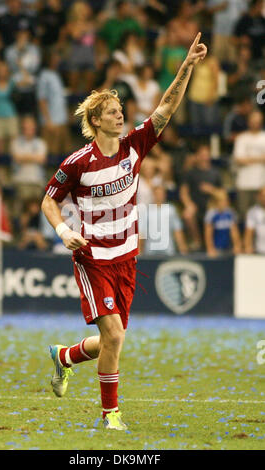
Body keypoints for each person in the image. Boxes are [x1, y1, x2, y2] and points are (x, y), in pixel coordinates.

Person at [41, 33, 207, 430]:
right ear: (96, 120)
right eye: (114, 111)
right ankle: (110, 416)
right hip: (93, 259)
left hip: (127, 258)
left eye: (122, 110)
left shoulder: (135, 147)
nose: (121, 115)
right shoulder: (78, 163)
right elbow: (48, 200)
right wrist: (64, 230)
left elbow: (166, 107)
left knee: (113, 339)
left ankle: (65, 357)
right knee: (114, 334)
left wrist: (187, 66)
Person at [180, 143, 222, 250]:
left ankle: (211, 245)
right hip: (196, 207)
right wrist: (188, 204)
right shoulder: (190, 173)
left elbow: (222, 194)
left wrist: (211, 190)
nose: (204, 157)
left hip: (212, 207)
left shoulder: (215, 173)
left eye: (206, 154)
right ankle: (197, 241)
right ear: (197, 156)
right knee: (188, 214)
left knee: (215, 214)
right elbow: (183, 192)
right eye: (202, 154)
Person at [233, 110, 265, 222]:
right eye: (253, 121)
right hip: (244, 184)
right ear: (249, 122)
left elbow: (244, 159)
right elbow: (239, 159)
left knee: (261, 218)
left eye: (258, 121)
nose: (255, 123)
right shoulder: (242, 138)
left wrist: (248, 158)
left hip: (261, 184)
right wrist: (260, 158)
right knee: (244, 217)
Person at [139, 184, 188, 256]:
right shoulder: (146, 211)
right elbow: (141, 233)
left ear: (165, 195)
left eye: (162, 194)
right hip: (150, 252)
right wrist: (140, 251)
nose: (160, 196)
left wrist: (183, 248)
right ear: (153, 195)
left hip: (169, 251)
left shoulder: (171, 209)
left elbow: (177, 230)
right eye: (157, 194)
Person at [204, 188, 241, 257]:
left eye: (226, 200)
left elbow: (234, 231)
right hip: (216, 248)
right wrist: (210, 248)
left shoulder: (230, 213)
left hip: (228, 248)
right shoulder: (211, 214)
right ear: (216, 201)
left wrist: (237, 245)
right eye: (223, 201)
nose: (226, 202)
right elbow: (208, 233)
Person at [244, 186, 265, 254]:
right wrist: (247, 247)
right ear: (259, 197)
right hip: (260, 252)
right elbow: (249, 233)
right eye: (263, 196)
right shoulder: (253, 212)